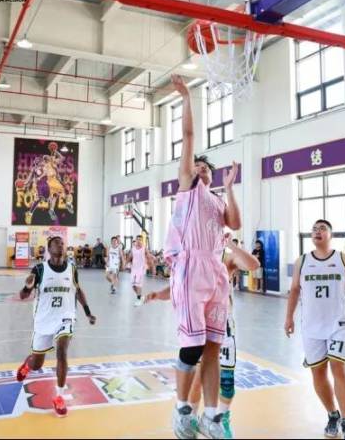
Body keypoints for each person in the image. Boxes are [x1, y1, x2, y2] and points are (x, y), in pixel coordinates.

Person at [163, 75, 241, 440]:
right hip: (191, 267)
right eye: (197, 165)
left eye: (206, 167)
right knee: (192, 345)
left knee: (213, 347)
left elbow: (235, 222)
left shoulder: (216, 199)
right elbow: (190, 137)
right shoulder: (187, 189)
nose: (201, 168)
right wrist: (186, 97)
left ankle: (210, 416)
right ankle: (181, 408)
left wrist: (229, 187)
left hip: (215, 271)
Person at [147, 234, 259, 439]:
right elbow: (178, 287)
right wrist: (158, 295)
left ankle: (222, 417)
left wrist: (232, 245)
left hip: (223, 325)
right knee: (197, 379)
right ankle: (190, 420)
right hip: (199, 325)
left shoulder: (226, 257)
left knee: (227, 383)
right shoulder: (192, 258)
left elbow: (253, 265)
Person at [284, 219, 345, 440]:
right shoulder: (302, 261)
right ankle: (332, 414)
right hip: (311, 326)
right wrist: (288, 318)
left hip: (339, 325)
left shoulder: (344, 260)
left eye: (322, 228)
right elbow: (294, 290)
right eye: (314, 229)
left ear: (331, 235)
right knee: (318, 372)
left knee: (339, 368)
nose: (317, 231)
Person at [15, 236, 96, 417]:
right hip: (44, 320)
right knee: (37, 364)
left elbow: (78, 290)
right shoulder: (39, 269)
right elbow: (22, 296)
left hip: (65, 317)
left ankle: (59, 396)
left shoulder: (72, 269)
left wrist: (88, 312)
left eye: (62, 244)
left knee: (62, 351)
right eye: (56, 244)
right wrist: (27, 288)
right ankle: (27, 365)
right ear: (49, 249)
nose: (61, 246)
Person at [127, 237, 154, 307]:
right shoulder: (133, 249)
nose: (138, 241)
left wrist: (152, 267)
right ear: (136, 241)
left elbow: (149, 257)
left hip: (141, 269)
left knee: (138, 284)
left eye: (140, 240)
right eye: (137, 240)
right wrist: (126, 264)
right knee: (133, 285)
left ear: (142, 241)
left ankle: (138, 299)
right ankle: (141, 297)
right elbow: (129, 257)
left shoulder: (144, 248)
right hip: (134, 268)